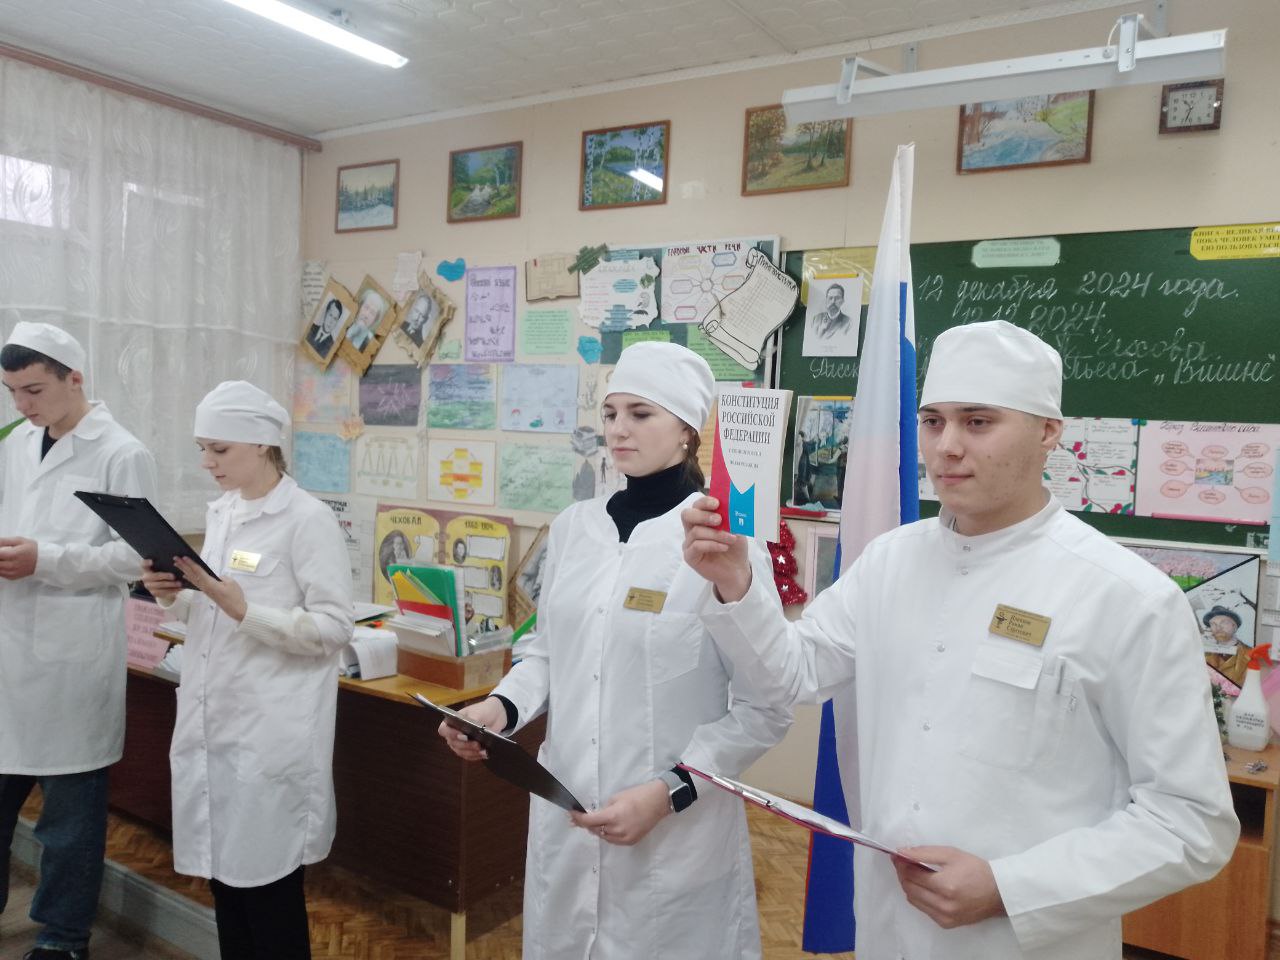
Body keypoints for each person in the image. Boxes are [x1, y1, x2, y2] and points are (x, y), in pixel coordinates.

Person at [682, 320, 1239, 960]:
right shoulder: (890, 561)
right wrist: (735, 581)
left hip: (1025, 941)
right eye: (933, 421)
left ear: (1048, 431)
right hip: (888, 923)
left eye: (978, 422)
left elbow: (1190, 821)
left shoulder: (1126, 598)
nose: (946, 447)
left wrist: (1011, 888)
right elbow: (793, 674)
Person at [438, 341, 790, 959]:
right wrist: (501, 708)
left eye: (640, 413)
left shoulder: (723, 542)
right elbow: (546, 652)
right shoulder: (576, 528)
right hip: (568, 808)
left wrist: (670, 791)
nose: (618, 429)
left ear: (687, 430)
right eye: (610, 413)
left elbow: (765, 706)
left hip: (675, 834)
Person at [140, 381, 353, 960]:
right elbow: (211, 609)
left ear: (262, 444)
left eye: (220, 449)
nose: (207, 463)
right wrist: (172, 595)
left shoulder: (306, 520)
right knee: (226, 884)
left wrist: (242, 609)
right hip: (217, 725)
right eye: (202, 449)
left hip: (270, 734)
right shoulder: (226, 511)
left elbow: (334, 627)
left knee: (269, 891)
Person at [0, 322, 157, 960]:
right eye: (12, 392)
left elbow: (138, 558)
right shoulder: (17, 441)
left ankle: (63, 939)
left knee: (68, 822)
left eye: (34, 390)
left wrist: (47, 559)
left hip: (71, 660)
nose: (22, 405)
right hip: (11, 648)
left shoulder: (121, 452)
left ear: (75, 378)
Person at [1202, 605, 1248, 686]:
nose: (1218, 627)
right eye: (1213, 624)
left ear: (1235, 627)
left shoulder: (1251, 653)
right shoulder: (1204, 654)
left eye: (1224, 622)